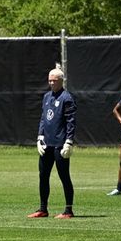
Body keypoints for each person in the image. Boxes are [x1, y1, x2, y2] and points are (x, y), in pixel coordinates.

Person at [28, 65, 77, 219]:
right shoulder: (47, 97)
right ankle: (43, 209)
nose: (51, 83)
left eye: (54, 81)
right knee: (43, 175)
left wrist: (69, 141)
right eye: (49, 80)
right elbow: (43, 118)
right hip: (47, 143)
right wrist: (39, 137)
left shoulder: (67, 98)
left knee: (64, 176)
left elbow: (71, 121)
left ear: (61, 81)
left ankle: (68, 210)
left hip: (60, 144)